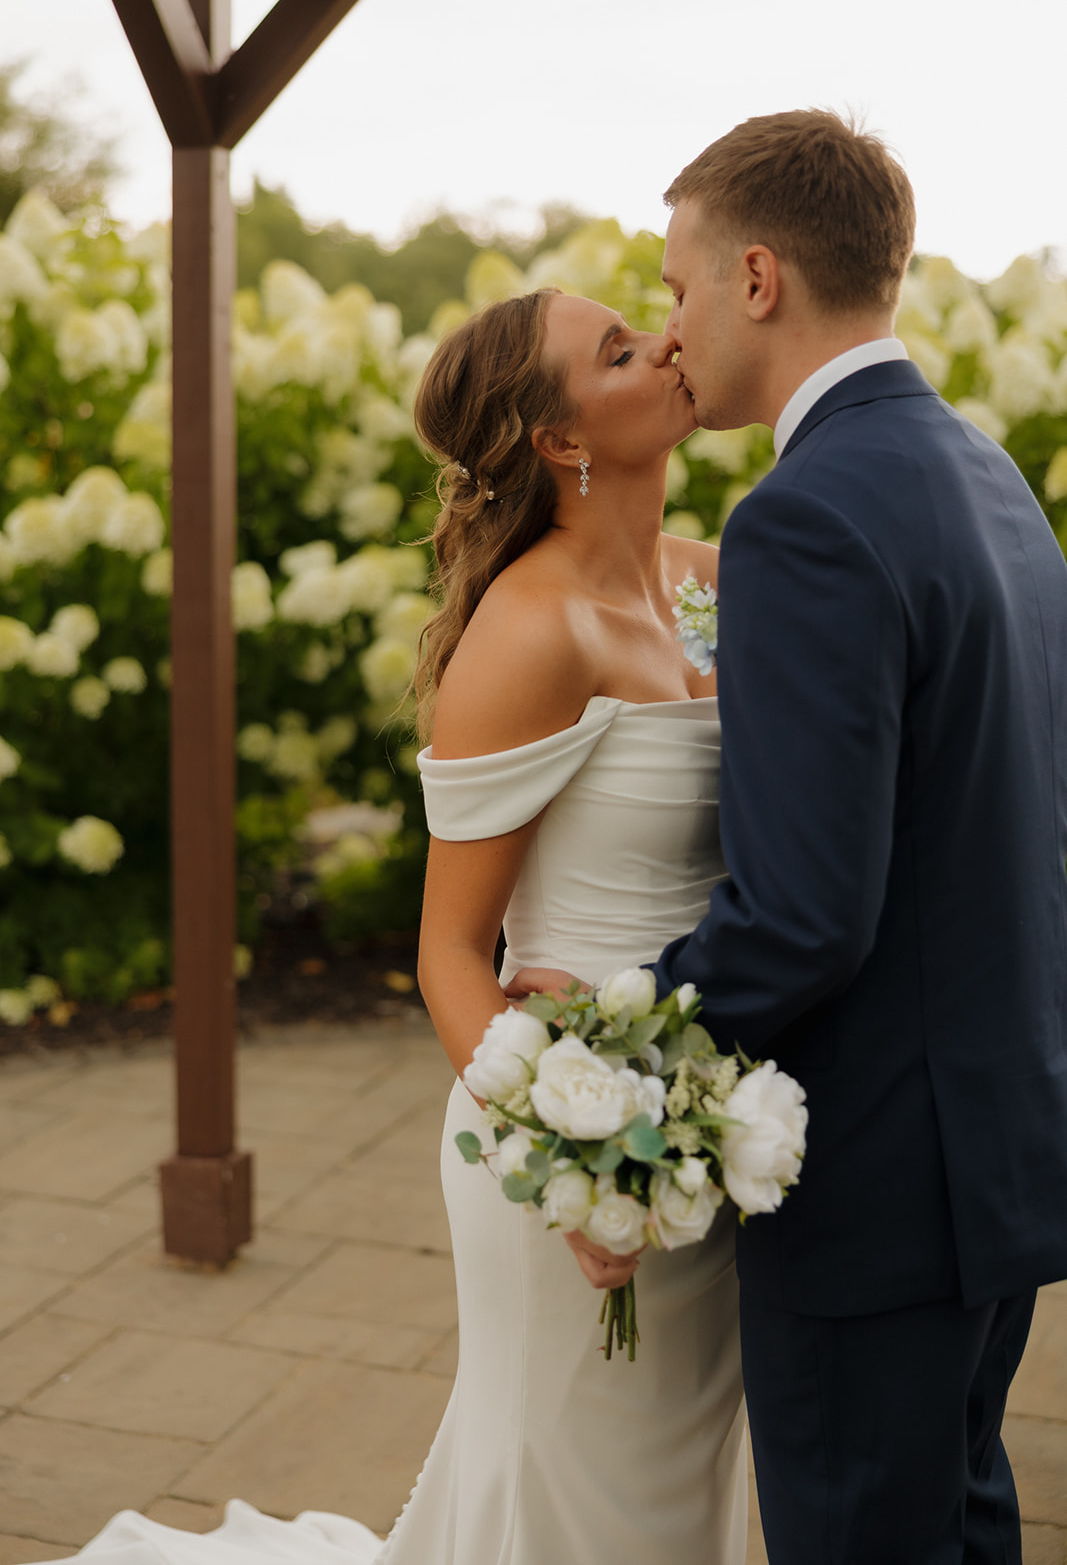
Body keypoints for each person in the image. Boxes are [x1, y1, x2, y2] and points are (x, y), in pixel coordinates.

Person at [27, 289, 748, 1563]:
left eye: (647, 326)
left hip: (705, 1120)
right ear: (558, 441)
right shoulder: (530, 632)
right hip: (562, 1141)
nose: (669, 345)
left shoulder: (711, 585)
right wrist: (574, 1156)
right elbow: (445, 955)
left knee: (679, 1489)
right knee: (572, 1496)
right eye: (620, 353)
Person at [513, 110, 1067, 1564]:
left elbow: (804, 913)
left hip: (878, 1186)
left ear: (756, 277)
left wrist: (607, 1087)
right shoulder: (988, 476)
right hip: (993, 1155)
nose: (673, 329)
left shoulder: (803, 516)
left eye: (677, 287)